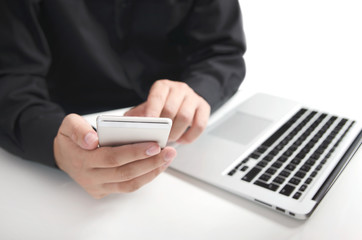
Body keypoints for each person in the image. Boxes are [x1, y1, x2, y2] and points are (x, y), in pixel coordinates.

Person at [0, 0, 246, 198]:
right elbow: (12, 83)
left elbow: (222, 50)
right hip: (68, 144)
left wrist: (196, 92)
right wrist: (56, 146)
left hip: (182, 149)